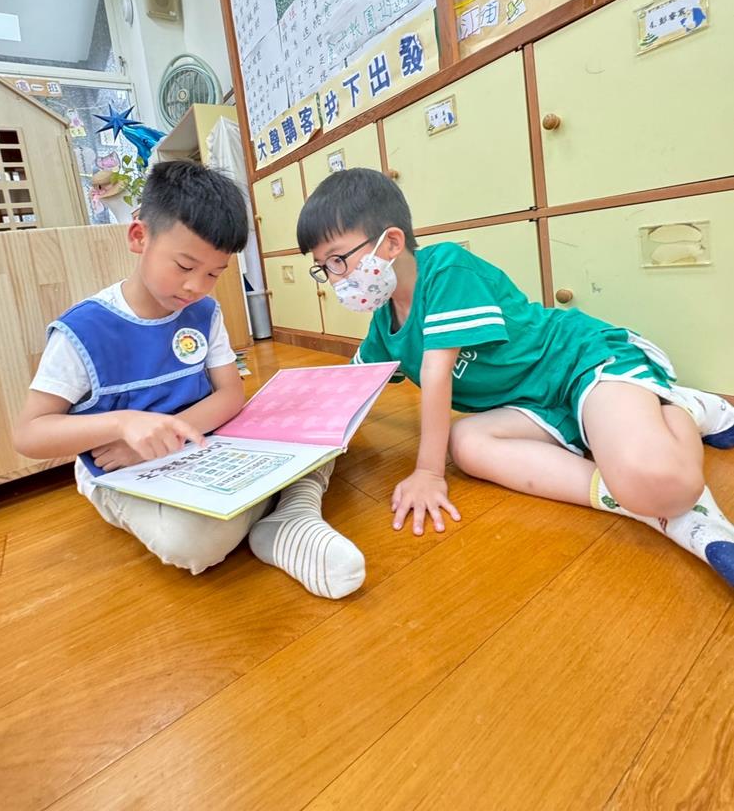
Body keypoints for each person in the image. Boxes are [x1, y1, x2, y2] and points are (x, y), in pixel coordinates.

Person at [296, 168, 734, 587]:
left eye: (338, 260)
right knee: (466, 444)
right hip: (532, 407)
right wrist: (293, 428)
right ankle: (632, 501)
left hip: (581, 364)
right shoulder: (384, 323)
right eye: (323, 267)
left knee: (666, 485)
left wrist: (428, 473)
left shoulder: (446, 268)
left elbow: (436, 371)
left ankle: (682, 407)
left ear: (391, 242)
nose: (334, 279)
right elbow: (350, 389)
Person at [13, 160, 364, 600]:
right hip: (125, 468)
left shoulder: (203, 313)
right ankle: (294, 503)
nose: (196, 286)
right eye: (184, 266)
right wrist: (123, 425)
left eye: (214, 273)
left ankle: (291, 515)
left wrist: (176, 433)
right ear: (139, 237)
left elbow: (230, 394)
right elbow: (29, 434)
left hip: (202, 447)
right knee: (192, 543)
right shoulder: (83, 331)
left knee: (317, 425)